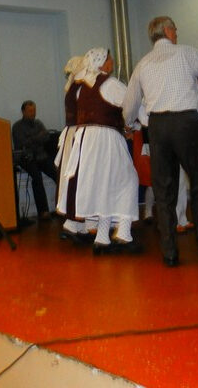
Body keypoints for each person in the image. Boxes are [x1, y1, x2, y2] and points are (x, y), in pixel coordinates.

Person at [123, 16, 198, 267]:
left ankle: (169, 251)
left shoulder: (143, 63)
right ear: (168, 31)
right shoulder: (186, 53)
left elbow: (129, 104)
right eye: (175, 30)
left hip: (158, 126)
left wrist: (130, 123)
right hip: (187, 122)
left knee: (163, 190)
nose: (177, 33)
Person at [63, 48, 141, 254]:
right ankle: (123, 233)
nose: (112, 61)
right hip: (106, 137)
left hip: (86, 139)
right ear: (101, 63)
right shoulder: (109, 83)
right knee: (128, 181)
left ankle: (102, 237)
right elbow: (132, 104)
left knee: (104, 186)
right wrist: (135, 124)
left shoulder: (82, 85)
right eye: (109, 58)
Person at [55, 56, 94, 244]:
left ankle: (78, 224)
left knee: (75, 179)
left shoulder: (72, 87)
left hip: (73, 135)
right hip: (77, 135)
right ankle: (75, 223)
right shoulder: (80, 87)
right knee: (78, 179)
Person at [12, 100, 58, 221]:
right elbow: (22, 144)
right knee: (37, 177)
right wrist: (38, 138)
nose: (33, 113)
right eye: (30, 111)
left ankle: (61, 207)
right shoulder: (17, 127)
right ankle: (43, 212)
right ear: (23, 112)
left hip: (41, 156)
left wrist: (32, 140)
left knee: (56, 173)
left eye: (34, 110)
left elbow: (46, 137)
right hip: (27, 158)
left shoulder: (38, 123)